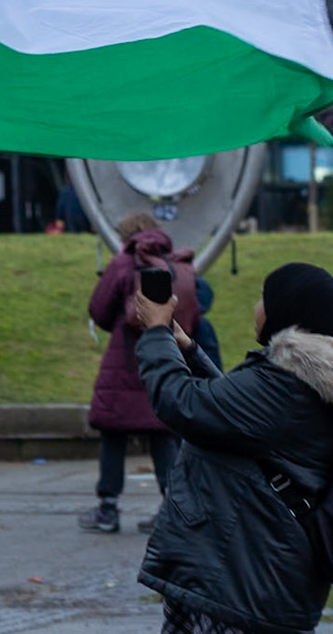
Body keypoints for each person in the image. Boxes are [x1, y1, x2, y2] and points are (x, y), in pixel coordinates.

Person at [133, 262, 333, 634]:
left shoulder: (284, 386)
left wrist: (154, 331)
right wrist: (188, 350)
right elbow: (233, 416)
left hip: (240, 585)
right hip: (264, 579)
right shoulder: (312, 380)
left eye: (264, 299)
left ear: (287, 313)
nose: (256, 307)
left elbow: (182, 404)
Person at [81, 212, 219, 535]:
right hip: (167, 359)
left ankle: (108, 508)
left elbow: (99, 309)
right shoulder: (178, 262)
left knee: (113, 433)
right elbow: (196, 311)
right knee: (162, 434)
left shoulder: (124, 262)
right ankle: (174, 508)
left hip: (126, 362)